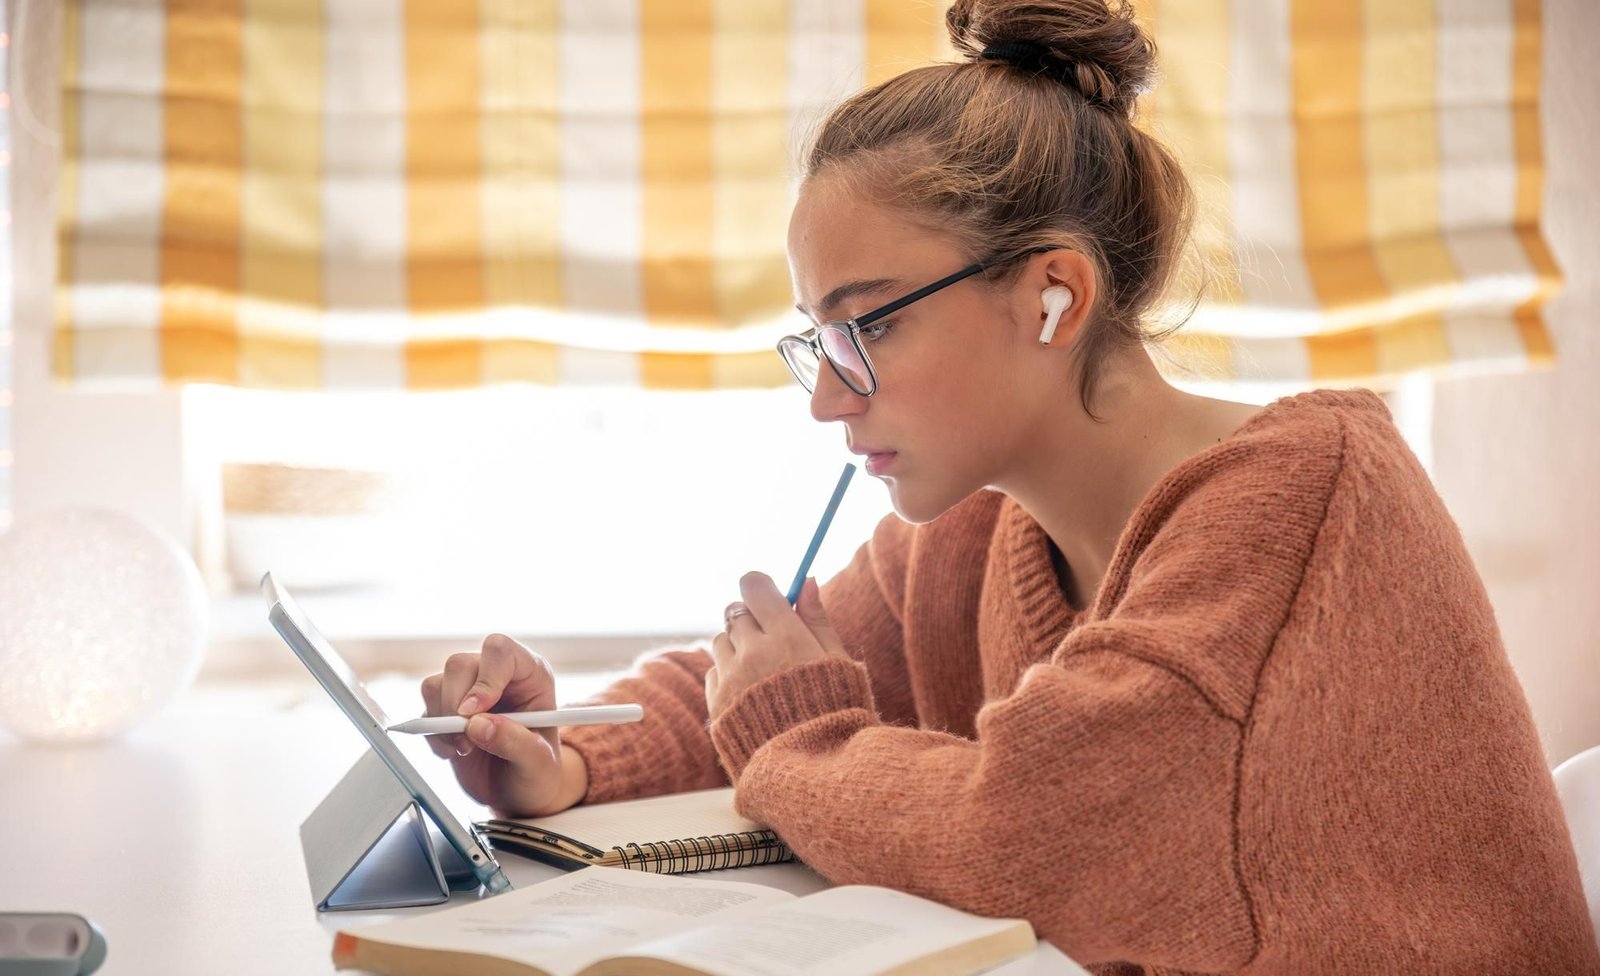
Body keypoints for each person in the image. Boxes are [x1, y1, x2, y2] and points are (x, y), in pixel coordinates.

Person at [418, 0, 1600, 971]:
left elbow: (1027, 835)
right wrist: (566, 756)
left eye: (865, 327)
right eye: (816, 340)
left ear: (1053, 296)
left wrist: (795, 733)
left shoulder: (1301, 502)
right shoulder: (978, 528)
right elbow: (762, 676)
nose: (827, 397)